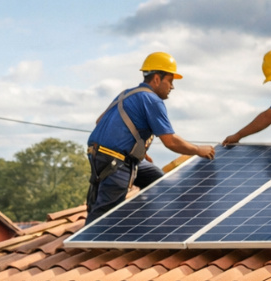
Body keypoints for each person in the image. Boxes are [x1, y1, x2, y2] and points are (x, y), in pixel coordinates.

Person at [86, 52, 216, 221]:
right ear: (156, 79)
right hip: (115, 160)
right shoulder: (152, 99)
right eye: (170, 81)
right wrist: (198, 150)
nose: (172, 86)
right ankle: (89, 243)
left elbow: (100, 121)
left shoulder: (126, 94)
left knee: (156, 179)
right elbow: (170, 141)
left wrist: (137, 150)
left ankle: (148, 223)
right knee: (105, 215)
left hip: (100, 154)